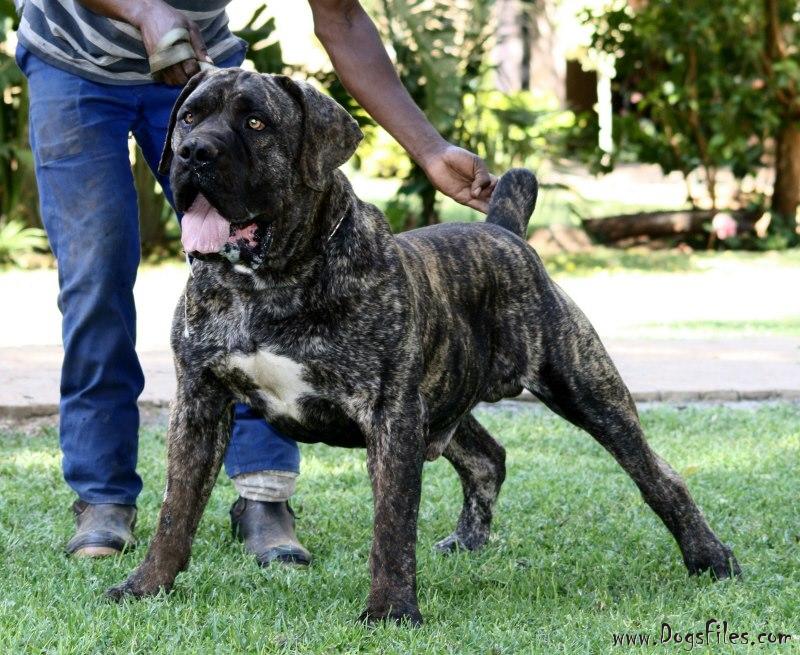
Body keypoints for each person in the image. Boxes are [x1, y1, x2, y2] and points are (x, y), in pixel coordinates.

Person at [14, 0, 495, 564]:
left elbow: (340, 18)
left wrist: (431, 149)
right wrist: (143, 9)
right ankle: (103, 497)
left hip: (195, 65)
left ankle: (263, 495)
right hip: (72, 59)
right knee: (95, 283)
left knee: (260, 271)